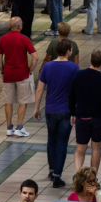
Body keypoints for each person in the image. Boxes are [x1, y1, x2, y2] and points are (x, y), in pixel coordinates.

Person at [34, 38, 78, 188]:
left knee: (51, 140)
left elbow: (40, 89)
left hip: (50, 110)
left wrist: (36, 108)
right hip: (66, 110)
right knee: (62, 143)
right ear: (67, 52)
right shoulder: (73, 68)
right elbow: (77, 91)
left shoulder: (47, 67)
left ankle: (51, 171)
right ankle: (57, 177)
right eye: (71, 50)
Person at [69, 50, 101, 172]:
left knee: (80, 149)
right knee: (96, 148)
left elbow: (71, 97)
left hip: (82, 117)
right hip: (98, 118)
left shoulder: (78, 75)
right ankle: (93, 179)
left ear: (90, 59)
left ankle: (78, 177)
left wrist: (73, 113)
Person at [0, 17, 38, 137]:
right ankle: (19, 127)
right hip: (22, 74)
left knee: (8, 101)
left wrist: (2, 71)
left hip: (8, 74)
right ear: (20, 26)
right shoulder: (24, 39)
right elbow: (35, 57)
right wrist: (30, 70)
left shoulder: (3, 39)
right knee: (23, 101)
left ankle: (9, 128)